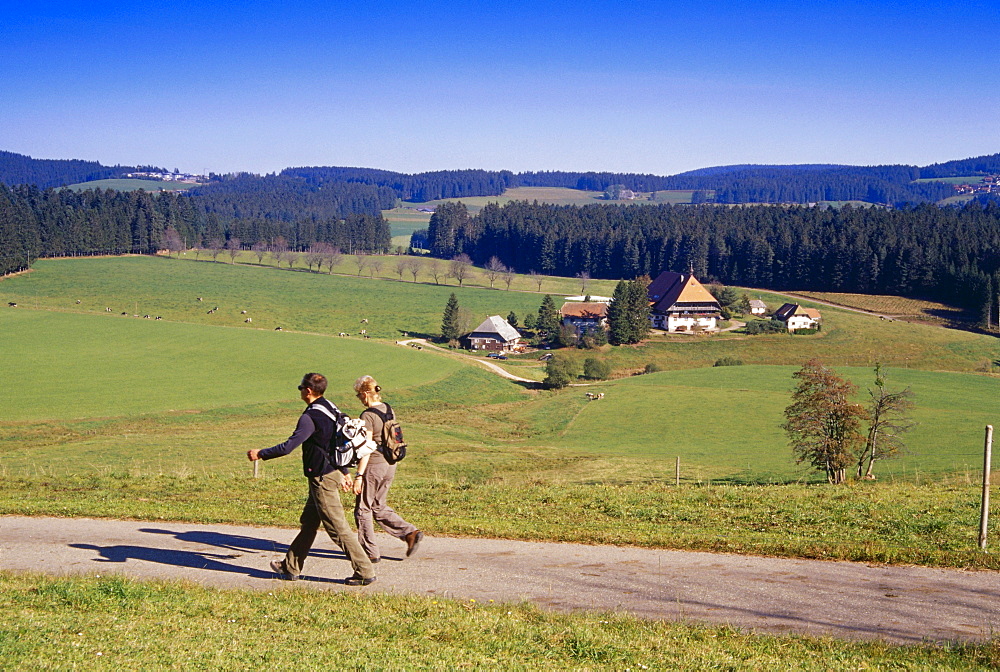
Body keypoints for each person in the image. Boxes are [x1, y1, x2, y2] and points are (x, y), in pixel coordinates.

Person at [247, 372, 375, 586]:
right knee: (309, 522)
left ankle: (364, 571)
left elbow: (288, 447)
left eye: (300, 388)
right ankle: (290, 567)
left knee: (337, 527)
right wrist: (344, 471)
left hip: (322, 478)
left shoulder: (310, 417)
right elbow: (337, 441)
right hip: (330, 472)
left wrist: (261, 453)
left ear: (307, 391)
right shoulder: (330, 407)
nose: (300, 391)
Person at [351, 375, 423, 562]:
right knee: (378, 506)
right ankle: (410, 533)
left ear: (366, 394)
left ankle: (370, 553)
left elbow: (366, 447)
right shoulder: (389, 409)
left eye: (359, 395)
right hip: (390, 464)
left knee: (363, 509)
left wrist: (359, 475)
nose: (359, 399)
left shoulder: (367, 415)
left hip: (373, 465)